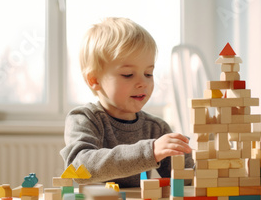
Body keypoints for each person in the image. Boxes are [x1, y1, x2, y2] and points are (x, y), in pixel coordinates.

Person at [60, 17, 193, 188]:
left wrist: (190, 157)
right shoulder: (84, 119)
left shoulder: (156, 128)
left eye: (148, 74)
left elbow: (186, 181)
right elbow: (78, 168)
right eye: (128, 74)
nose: (143, 83)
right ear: (94, 80)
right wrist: (149, 151)